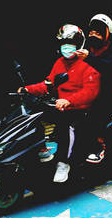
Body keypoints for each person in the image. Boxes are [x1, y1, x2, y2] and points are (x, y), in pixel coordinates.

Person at [18, 24, 100, 182]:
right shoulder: (59, 63)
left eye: (69, 44)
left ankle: (64, 163)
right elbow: (47, 84)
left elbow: (91, 92)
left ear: (79, 45)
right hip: (60, 106)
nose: (66, 48)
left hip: (80, 110)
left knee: (66, 126)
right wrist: (27, 90)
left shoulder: (88, 64)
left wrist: (69, 100)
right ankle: (41, 150)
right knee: (31, 115)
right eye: (63, 44)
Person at [75, 14, 112, 164]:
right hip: (84, 90)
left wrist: (89, 58)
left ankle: (99, 146)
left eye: (98, 33)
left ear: (107, 34)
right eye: (91, 32)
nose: (94, 35)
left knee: (94, 116)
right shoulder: (85, 47)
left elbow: (110, 68)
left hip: (106, 94)